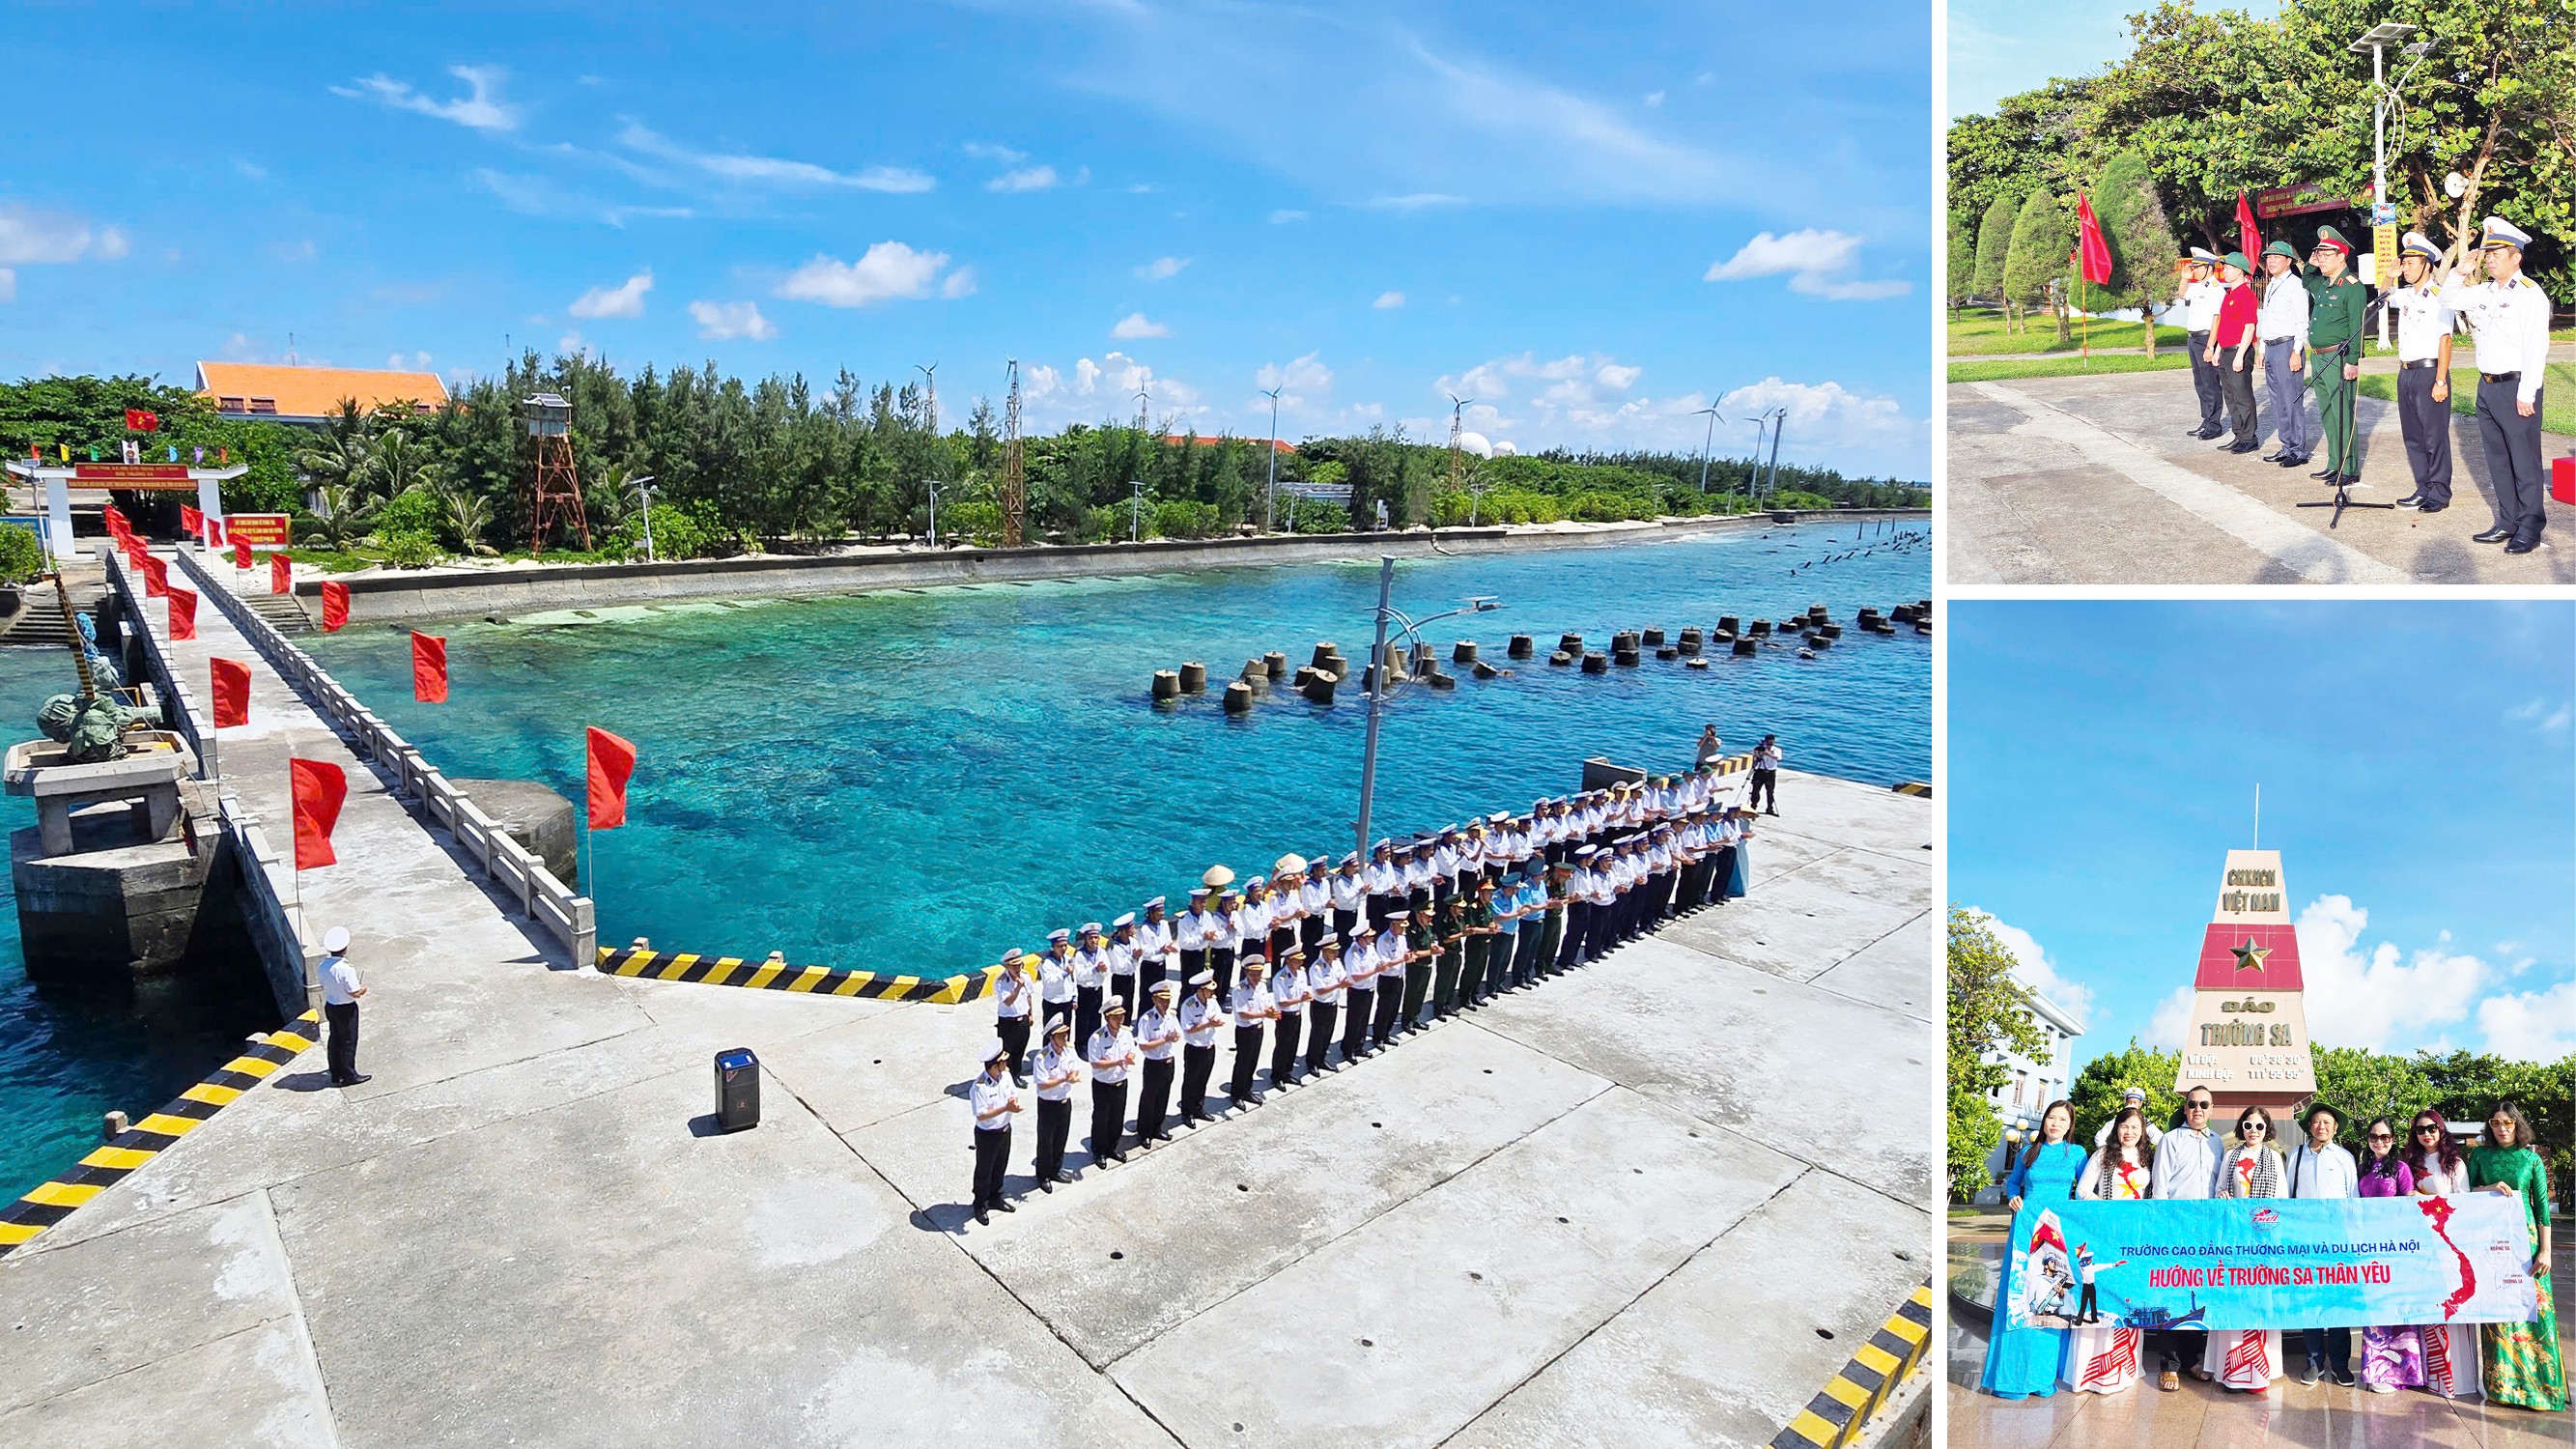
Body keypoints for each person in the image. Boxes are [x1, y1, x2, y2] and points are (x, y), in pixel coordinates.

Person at [2448, 217, 2556, 554]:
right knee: (2497, 459)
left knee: (2524, 461)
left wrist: (2527, 393)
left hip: (2517, 387)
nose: (2489, 259)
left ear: (2516, 257)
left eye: (2496, 253)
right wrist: (2459, 271)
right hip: (2488, 387)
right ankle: (2507, 520)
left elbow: (2536, 346)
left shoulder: (2529, 294)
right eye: (2487, 253)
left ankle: (2530, 526)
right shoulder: (2485, 291)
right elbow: (2445, 299)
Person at [1982, 1098, 2086, 1399]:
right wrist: (2014, 1198)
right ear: (2045, 1121)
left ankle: (2042, 1377)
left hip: (2057, 1234)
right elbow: (2013, 1184)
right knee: (2019, 1297)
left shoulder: (2077, 1154)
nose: (2056, 1124)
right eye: (2052, 1118)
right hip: (2026, 1230)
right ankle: (2011, 1379)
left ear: (2069, 1127)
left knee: (2049, 1300)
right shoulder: (2028, 1152)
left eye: (2063, 1120)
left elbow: (2083, 1190)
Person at [2468, 1099, 2565, 1410]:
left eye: (2507, 1123)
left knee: (2533, 1310)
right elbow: (2465, 1194)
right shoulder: (2480, 1155)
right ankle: (2503, 1388)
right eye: (2495, 1123)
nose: (2501, 1129)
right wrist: (2490, 1188)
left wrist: (2546, 1250)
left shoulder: (2530, 1159)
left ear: (2516, 1124)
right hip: (2492, 1243)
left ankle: (2541, 1389)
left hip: (2527, 1243)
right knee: (2498, 1310)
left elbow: (2542, 1210)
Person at [2398, 1109, 2481, 1399]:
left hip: (2448, 1241)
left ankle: (2458, 1379)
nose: (2427, 1134)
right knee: (2429, 1307)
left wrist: (2423, 1199)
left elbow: (2463, 1201)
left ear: (2441, 1129)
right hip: (2420, 1245)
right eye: (2420, 1130)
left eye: (2432, 1128)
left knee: (2453, 1303)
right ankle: (2431, 1376)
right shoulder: (2410, 1163)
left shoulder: (2453, 1163)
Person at [2067, 1107, 2151, 1395]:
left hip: (2135, 1239)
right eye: (2124, 1126)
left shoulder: (2147, 1158)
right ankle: (2093, 1371)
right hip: (2105, 1234)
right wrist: (2109, 1212)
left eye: (2135, 1127)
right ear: (2116, 1129)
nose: (2129, 1132)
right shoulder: (2102, 1156)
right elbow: (2083, 1192)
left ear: (2142, 1132)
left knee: (2128, 1298)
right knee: (2101, 1301)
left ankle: (2123, 1368)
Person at [2207, 1106, 2288, 1390]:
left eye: (2259, 1126)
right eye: (2248, 1125)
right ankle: (2230, 1368)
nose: (2253, 1131)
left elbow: (2282, 1200)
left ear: (2268, 1130)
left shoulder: (2275, 1159)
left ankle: (2258, 1370)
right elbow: (2218, 1190)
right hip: (2234, 1241)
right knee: (2235, 1298)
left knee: (2259, 1300)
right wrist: (2223, 1195)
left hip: (2263, 1241)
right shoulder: (2231, 1156)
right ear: (2241, 1127)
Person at [2149, 1085, 2223, 1389]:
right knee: (2172, 1295)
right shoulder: (2170, 1139)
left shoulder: (2218, 1142)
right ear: (2185, 1108)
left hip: (2206, 1231)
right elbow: (2160, 1186)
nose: (2198, 1109)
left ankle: (2191, 1360)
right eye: (2192, 1104)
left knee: (2198, 1296)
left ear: (2211, 1108)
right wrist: (2165, 1229)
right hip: (2176, 1229)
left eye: (2204, 1104)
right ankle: (2168, 1364)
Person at [2383, 232, 2456, 513]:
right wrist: (2389, 276)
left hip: (2429, 372)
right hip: (2407, 372)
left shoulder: (2439, 297)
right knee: (2412, 435)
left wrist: (2440, 379)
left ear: (2427, 265)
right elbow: (2384, 297)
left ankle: (2439, 490)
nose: (2406, 267)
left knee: (2434, 435)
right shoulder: (2406, 295)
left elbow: (2445, 340)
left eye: (2412, 262)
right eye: (2405, 262)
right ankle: (2422, 486)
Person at [2287, 1101, 2359, 1386]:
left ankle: (2340, 1363)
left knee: (2338, 1301)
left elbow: (2353, 1198)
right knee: (2311, 1300)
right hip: (2305, 1239)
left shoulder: (2344, 1157)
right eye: (2316, 1122)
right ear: (2309, 1126)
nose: (2321, 1127)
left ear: (2335, 1128)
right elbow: (2288, 1197)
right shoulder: (2296, 1155)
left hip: (2338, 1239)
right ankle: (2313, 1362)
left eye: (2327, 1123)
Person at [2352, 1119, 2421, 1393]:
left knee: (2396, 1307)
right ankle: (2374, 1369)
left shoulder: (2401, 1168)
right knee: (2374, 1308)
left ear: (2393, 1139)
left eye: (2385, 1136)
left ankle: (2399, 1372)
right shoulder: (2362, 1168)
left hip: (2395, 1247)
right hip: (2369, 1247)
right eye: (2374, 1136)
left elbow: (2409, 1205)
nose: (2379, 1141)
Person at [2300, 227, 2369, 487]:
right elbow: (2306, 280)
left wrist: (2353, 361)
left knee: (2343, 413)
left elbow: (2357, 327)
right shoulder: (2324, 284)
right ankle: (2334, 464)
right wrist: (2310, 262)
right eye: (2319, 253)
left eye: (2326, 253)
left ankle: (2349, 468)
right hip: (2318, 357)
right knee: (2328, 412)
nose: (2321, 257)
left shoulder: (2352, 287)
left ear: (2342, 256)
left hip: (2338, 358)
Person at [2254, 240, 2313, 469]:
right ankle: (2286, 445)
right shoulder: (2270, 285)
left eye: (2276, 257)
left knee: (2292, 400)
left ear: (2288, 261)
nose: (2271, 260)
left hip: (2288, 347)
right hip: (2271, 347)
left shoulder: (2296, 286)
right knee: (2278, 401)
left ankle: (2298, 449)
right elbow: (2266, 319)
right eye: (2268, 257)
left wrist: (2297, 351)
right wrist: (2261, 349)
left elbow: (2302, 321)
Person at [2210, 252, 2262, 454]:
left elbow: (2249, 328)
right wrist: (2218, 350)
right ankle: (2239, 434)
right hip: (2226, 351)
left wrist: (2240, 355)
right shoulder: (2229, 294)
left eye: (2228, 267)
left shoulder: (2246, 295)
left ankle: (2249, 438)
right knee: (2230, 396)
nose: (2224, 270)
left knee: (2242, 395)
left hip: (2239, 351)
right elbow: (2225, 326)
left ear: (2239, 270)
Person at [968, 1039, 1023, 1225]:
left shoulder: (1005, 1077)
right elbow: (982, 1115)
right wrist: (1005, 1107)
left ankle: (995, 1197)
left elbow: (1012, 1092)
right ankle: (980, 1204)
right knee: (985, 1171)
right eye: (1002, 1062)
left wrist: (1013, 1102)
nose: (1006, 1064)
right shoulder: (979, 1087)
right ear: (994, 1065)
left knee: (1000, 1165)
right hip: (987, 1134)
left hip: (1004, 1130)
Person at [2178, 247, 2229, 439]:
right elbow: (2182, 294)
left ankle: (2214, 425)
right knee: (2200, 382)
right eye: (2194, 267)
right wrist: (2184, 278)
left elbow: (2217, 319)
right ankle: (2206, 420)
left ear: (2209, 268)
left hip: (2206, 339)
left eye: (2199, 267)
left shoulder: (2216, 289)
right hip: (2193, 338)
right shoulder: (2198, 286)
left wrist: (2210, 346)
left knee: (2210, 383)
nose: (2195, 270)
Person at [1030, 1017, 1080, 1189]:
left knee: (1061, 1137)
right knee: (1046, 1140)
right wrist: (1063, 1079)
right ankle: (1043, 1175)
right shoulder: (1042, 1058)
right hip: (1048, 1104)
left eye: (1065, 1035)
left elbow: (1074, 1069)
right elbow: (1042, 1083)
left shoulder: (1068, 1051)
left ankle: (1056, 1169)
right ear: (1052, 1038)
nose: (1065, 1038)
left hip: (1064, 1101)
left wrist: (1072, 1076)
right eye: (1061, 1036)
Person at [1086, 1000, 1137, 1167]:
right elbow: (1095, 1063)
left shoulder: (1126, 1034)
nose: (1120, 1019)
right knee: (1101, 1118)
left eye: (1121, 1016)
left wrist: (1129, 1057)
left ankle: (1112, 1148)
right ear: (1107, 1018)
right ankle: (1099, 1151)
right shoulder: (1097, 1038)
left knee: (1117, 1117)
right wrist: (1118, 1061)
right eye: (1115, 1017)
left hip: (1120, 1081)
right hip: (1103, 1084)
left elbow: (1131, 1051)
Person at [1132, 980, 1182, 1147]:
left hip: (1168, 1061)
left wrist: (1174, 1037)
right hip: (1153, 1063)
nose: (1166, 1004)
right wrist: (1164, 1039)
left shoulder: (1171, 1016)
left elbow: (1177, 1034)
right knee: (1149, 1098)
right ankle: (1144, 1132)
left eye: (1168, 1000)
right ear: (1154, 1000)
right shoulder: (1147, 1019)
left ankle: (1157, 1128)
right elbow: (1143, 1044)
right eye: (1162, 1000)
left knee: (1163, 1096)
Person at [320, 925, 369, 1087]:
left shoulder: (323, 966)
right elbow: (354, 992)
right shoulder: (345, 969)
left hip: (331, 1006)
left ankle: (335, 1073)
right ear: (345, 949)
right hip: (346, 1009)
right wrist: (363, 989)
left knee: (335, 1038)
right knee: (348, 1040)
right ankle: (349, 1075)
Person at [1176, 971, 1226, 1127]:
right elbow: (1188, 1028)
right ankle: (1187, 1112)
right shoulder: (1188, 1006)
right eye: (1208, 989)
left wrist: (1216, 1022)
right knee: (1191, 1081)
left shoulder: (1212, 1002)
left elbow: (1218, 1017)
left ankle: (1198, 1108)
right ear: (1199, 990)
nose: (1212, 992)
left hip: (1209, 1046)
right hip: (1194, 1049)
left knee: (1203, 1079)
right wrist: (1208, 1024)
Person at [1228, 957, 1276, 1109]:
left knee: (1253, 1060)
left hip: (1258, 1028)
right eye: (1253, 975)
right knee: (1243, 1062)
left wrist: (1270, 1010)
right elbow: (1243, 1014)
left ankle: (1247, 1089)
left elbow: (1266, 1003)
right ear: (1247, 973)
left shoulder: (1262, 987)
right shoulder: (1239, 990)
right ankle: (1236, 1094)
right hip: (1245, 1030)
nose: (1256, 978)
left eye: (1259, 974)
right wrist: (1264, 1014)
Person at [992, 948, 1035, 1086]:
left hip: (1022, 1019)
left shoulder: (1025, 976)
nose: (1018, 968)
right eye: (1014, 966)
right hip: (1008, 1022)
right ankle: (1002, 1077)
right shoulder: (1001, 981)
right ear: (1007, 966)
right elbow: (1008, 1001)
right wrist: (1017, 988)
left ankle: (1016, 1075)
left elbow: (1028, 996)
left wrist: (1030, 1014)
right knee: (1005, 1052)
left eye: (1020, 965)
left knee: (1020, 1050)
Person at [1268, 945, 1308, 1088]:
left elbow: (1304, 991)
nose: (1300, 963)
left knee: (1293, 1044)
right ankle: (1277, 1075)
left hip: (1297, 1013)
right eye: (1297, 961)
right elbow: (1282, 1002)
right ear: (1289, 961)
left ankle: (1287, 1072)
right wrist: (1301, 1000)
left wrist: (1305, 996)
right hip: (1285, 1016)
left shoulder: (1301, 974)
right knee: (1282, 1046)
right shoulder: (1281, 978)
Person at [1304, 935, 1345, 1075]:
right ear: (1324, 951)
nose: (1336, 954)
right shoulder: (1316, 968)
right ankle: (1312, 1062)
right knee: (1317, 1033)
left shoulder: (1337, 963)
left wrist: (1342, 982)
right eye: (1332, 951)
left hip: (1333, 1003)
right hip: (1320, 1005)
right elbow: (1320, 990)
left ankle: (1321, 1059)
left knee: (1328, 1032)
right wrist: (1339, 985)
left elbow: (1343, 977)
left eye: (1336, 951)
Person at [1070, 923, 1112, 1056]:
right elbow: (1079, 976)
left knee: (1095, 1018)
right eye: (1091, 938)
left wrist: (1103, 970)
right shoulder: (1080, 955)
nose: (1094, 941)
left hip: (1097, 989)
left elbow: (1107, 971)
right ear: (1086, 939)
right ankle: (1081, 1046)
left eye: (1096, 938)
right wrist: (1095, 970)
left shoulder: (1102, 952)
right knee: (1083, 1019)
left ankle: (1093, 1043)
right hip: (1085, 991)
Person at [1340, 923, 1379, 1062]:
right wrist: (1375, 971)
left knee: (1364, 1019)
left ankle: (1359, 1046)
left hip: (1369, 989)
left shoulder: (1370, 949)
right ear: (1361, 938)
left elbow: (1377, 963)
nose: (1372, 938)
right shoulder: (1352, 953)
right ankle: (1348, 1049)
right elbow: (1355, 976)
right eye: (1369, 936)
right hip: (1357, 992)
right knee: (1354, 1022)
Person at [1037, 928, 1077, 1042]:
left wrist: (1074, 997)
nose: (1063, 949)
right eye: (1060, 946)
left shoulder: (1068, 959)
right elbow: (1050, 982)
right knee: (1050, 1033)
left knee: (1065, 1032)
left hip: (1066, 1002)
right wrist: (1064, 973)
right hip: (1053, 1003)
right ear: (1054, 947)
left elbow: (1073, 980)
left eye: (1065, 945)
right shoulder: (1046, 963)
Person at [2091, 1087, 2164, 1148]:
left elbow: (2159, 1139)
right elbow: (2100, 1137)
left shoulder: (2146, 1122)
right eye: (2129, 1102)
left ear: (2140, 1104)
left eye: (2135, 1102)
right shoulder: (2117, 1120)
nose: (2132, 1105)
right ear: (2125, 1102)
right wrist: (2107, 1152)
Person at [1106, 914, 1143, 1024]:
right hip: (1119, 980)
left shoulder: (1133, 942)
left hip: (1131, 977)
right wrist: (1133, 958)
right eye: (1131, 927)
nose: (1134, 929)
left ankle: (1126, 1027)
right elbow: (1119, 967)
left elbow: (1137, 963)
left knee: (1129, 1005)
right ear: (1125, 930)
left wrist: (1135, 960)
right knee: (1118, 1008)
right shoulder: (1114, 947)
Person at [1750, 735, 1782, 814]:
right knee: (1755, 790)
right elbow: (1755, 757)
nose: (1769, 744)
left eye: (1771, 742)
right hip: (1760, 771)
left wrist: (1768, 754)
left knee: (1770, 791)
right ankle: (1753, 807)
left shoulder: (1777, 750)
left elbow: (1778, 758)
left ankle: (1770, 808)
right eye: (1768, 742)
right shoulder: (1760, 748)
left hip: (1771, 772)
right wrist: (1757, 756)